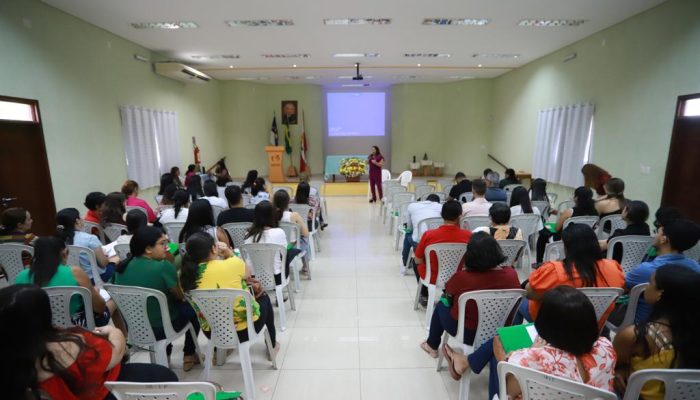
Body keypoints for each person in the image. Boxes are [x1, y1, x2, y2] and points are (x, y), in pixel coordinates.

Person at [0, 285, 178, 400]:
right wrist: (113, 331)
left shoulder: (11, 360)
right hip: (102, 391)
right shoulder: (67, 346)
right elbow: (115, 354)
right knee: (166, 376)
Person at [444, 286, 616, 399]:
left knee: (497, 344)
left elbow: (510, 391)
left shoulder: (532, 358)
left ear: (545, 324)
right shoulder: (607, 347)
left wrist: (521, 353)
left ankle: (466, 362)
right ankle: (465, 362)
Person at [114, 226, 201, 371]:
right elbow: (179, 295)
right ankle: (189, 354)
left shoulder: (121, 268)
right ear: (148, 249)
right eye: (162, 244)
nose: (166, 247)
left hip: (135, 328)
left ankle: (165, 356)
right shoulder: (163, 267)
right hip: (161, 328)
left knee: (162, 308)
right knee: (193, 309)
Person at [180, 232, 280, 356]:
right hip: (245, 330)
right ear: (213, 248)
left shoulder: (186, 276)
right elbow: (248, 273)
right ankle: (272, 344)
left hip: (212, 332)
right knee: (264, 297)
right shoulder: (232, 263)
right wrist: (230, 253)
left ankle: (218, 353)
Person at [421, 232, 520, 358]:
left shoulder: (462, 278)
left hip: (467, 333)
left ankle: (431, 346)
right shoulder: (511, 274)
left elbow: (448, 292)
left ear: (470, 255)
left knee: (441, 305)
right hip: (501, 331)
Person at [613, 265, 700, 400]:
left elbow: (611, 365)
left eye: (650, 282)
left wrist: (618, 371)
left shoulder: (635, 336)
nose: (647, 287)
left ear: (660, 294)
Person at [519, 224, 624, 326]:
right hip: (593, 323)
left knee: (518, 299)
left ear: (567, 247)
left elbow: (530, 294)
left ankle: (511, 338)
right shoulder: (614, 267)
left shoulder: (555, 270)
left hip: (555, 325)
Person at [15, 236, 114, 327]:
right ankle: (124, 340)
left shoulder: (20, 276)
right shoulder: (75, 272)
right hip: (75, 326)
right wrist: (95, 293)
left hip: (39, 327)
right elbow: (99, 308)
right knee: (113, 300)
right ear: (63, 253)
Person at [624, 219, 700, 322]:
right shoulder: (696, 268)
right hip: (677, 326)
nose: (655, 236)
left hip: (642, 325)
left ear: (663, 239)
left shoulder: (647, 269)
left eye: (657, 232)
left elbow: (622, 288)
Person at [413, 201, 472, 305]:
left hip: (432, 276)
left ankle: (425, 294)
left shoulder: (429, 235)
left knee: (415, 261)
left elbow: (418, 259)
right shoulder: (469, 235)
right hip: (458, 275)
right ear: (459, 216)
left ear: (441, 215)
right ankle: (449, 293)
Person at [535, 186, 598, 263]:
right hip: (585, 239)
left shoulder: (570, 211)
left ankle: (539, 262)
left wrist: (547, 225)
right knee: (546, 228)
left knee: (542, 232)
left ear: (576, 198)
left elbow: (556, 228)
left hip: (567, 239)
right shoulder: (595, 213)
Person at [244, 201, 299, 285]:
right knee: (291, 251)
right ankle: (280, 293)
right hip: (276, 277)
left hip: (253, 277)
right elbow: (284, 251)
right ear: (272, 216)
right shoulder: (278, 232)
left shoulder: (248, 234)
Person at [56, 208, 117, 283]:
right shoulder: (90, 238)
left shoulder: (57, 240)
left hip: (73, 278)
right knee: (116, 258)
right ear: (77, 221)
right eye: (80, 217)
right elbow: (103, 263)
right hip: (94, 278)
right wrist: (108, 257)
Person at [401, 194, 442, 269]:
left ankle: (405, 260)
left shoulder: (412, 206)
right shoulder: (440, 207)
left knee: (408, 233)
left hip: (418, 242)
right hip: (436, 241)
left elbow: (409, 227)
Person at [273, 190, 310, 274]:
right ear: (288, 202)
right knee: (305, 239)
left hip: (276, 247)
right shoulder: (294, 215)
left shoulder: (271, 214)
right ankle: (305, 267)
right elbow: (306, 233)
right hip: (291, 247)